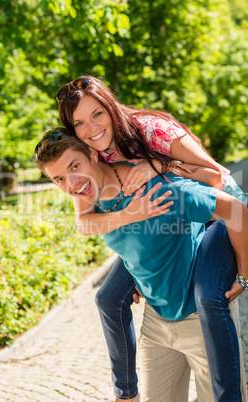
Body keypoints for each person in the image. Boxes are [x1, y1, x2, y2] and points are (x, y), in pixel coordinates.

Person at [54, 76, 248, 401]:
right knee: (108, 298)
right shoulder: (89, 157)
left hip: (219, 213)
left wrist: (158, 163)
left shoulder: (150, 128)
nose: (91, 127)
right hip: (164, 215)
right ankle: (125, 393)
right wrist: (132, 222)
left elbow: (215, 175)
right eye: (79, 122)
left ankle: (226, 395)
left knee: (209, 297)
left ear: (110, 107)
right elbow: (85, 221)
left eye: (97, 114)